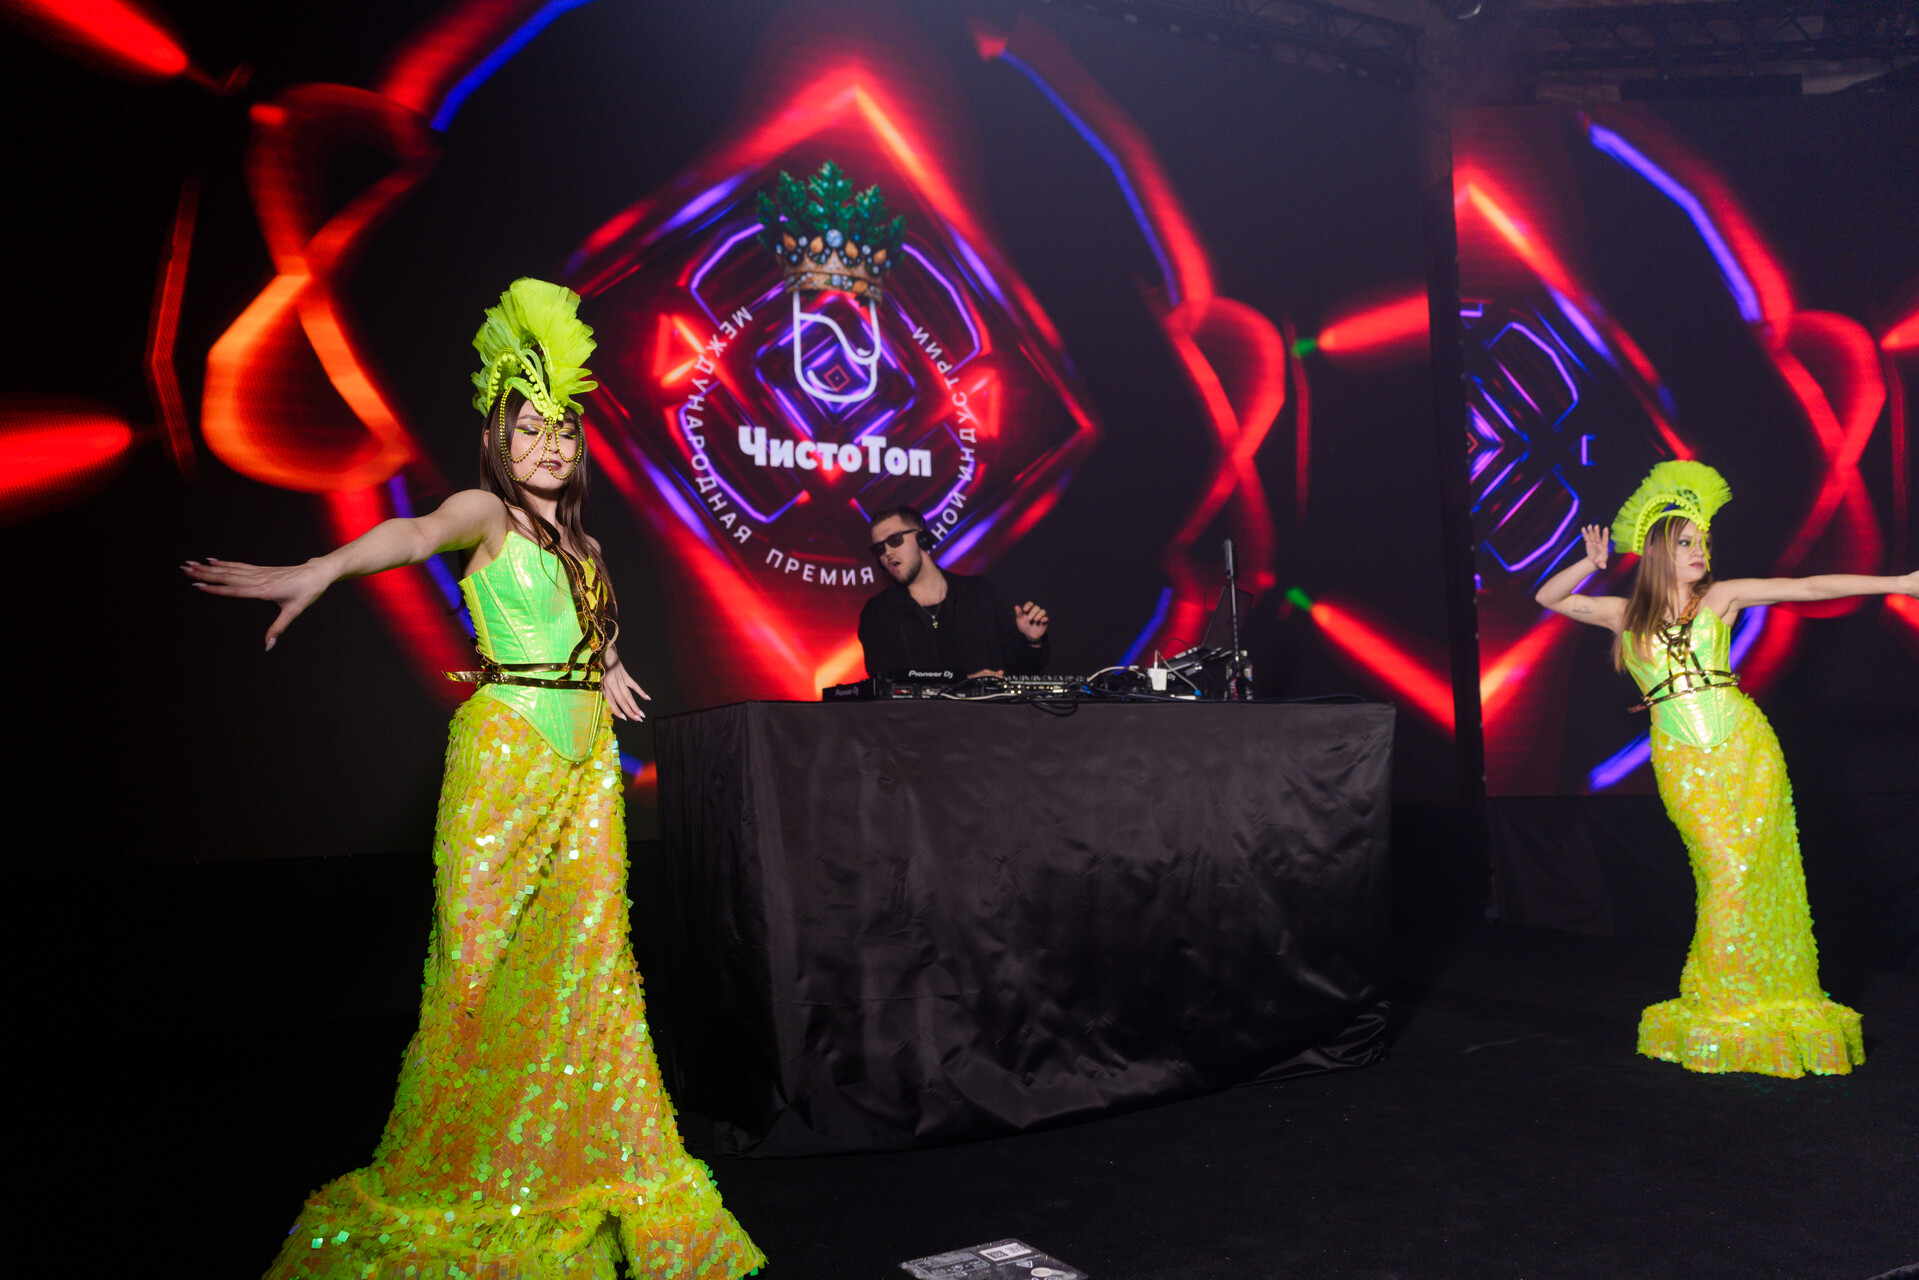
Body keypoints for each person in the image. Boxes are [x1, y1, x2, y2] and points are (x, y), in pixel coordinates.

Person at [186, 280, 764, 1278]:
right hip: (508, 758)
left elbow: (590, 624)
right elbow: (414, 534)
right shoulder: (485, 511)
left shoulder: (584, 544)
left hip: (587, 772)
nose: (549, 445)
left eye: (562, 430)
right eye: (529, 428)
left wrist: (607, 665)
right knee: (479, 970)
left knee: (585, 972)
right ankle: (461, 1164)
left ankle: (573, 1154)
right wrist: (321, 568)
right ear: (499, 439)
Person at [1536, 460, 1915, 1078]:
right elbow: (1548, 598)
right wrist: (1590, 564)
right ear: (1658, 551)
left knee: (1756, 871)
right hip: (1683, 762)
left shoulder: (1721, 598)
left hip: (1746, 750)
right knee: (1726, 871)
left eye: (1703, 543)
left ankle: (1754, 998)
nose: (1700, 552)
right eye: (1688, 542)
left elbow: (1808, 588)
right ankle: (1724, 998)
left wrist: (1899, 582)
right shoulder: (1623, 614)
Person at [858, 506, 1050, 678]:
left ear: (922, 539)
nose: (888, 552)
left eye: (895, 540)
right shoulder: (878, 613)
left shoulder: (979, 594)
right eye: (879, 549)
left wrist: (1033, 641)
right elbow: (886, 681)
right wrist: (962, 684)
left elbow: (1022, 669)